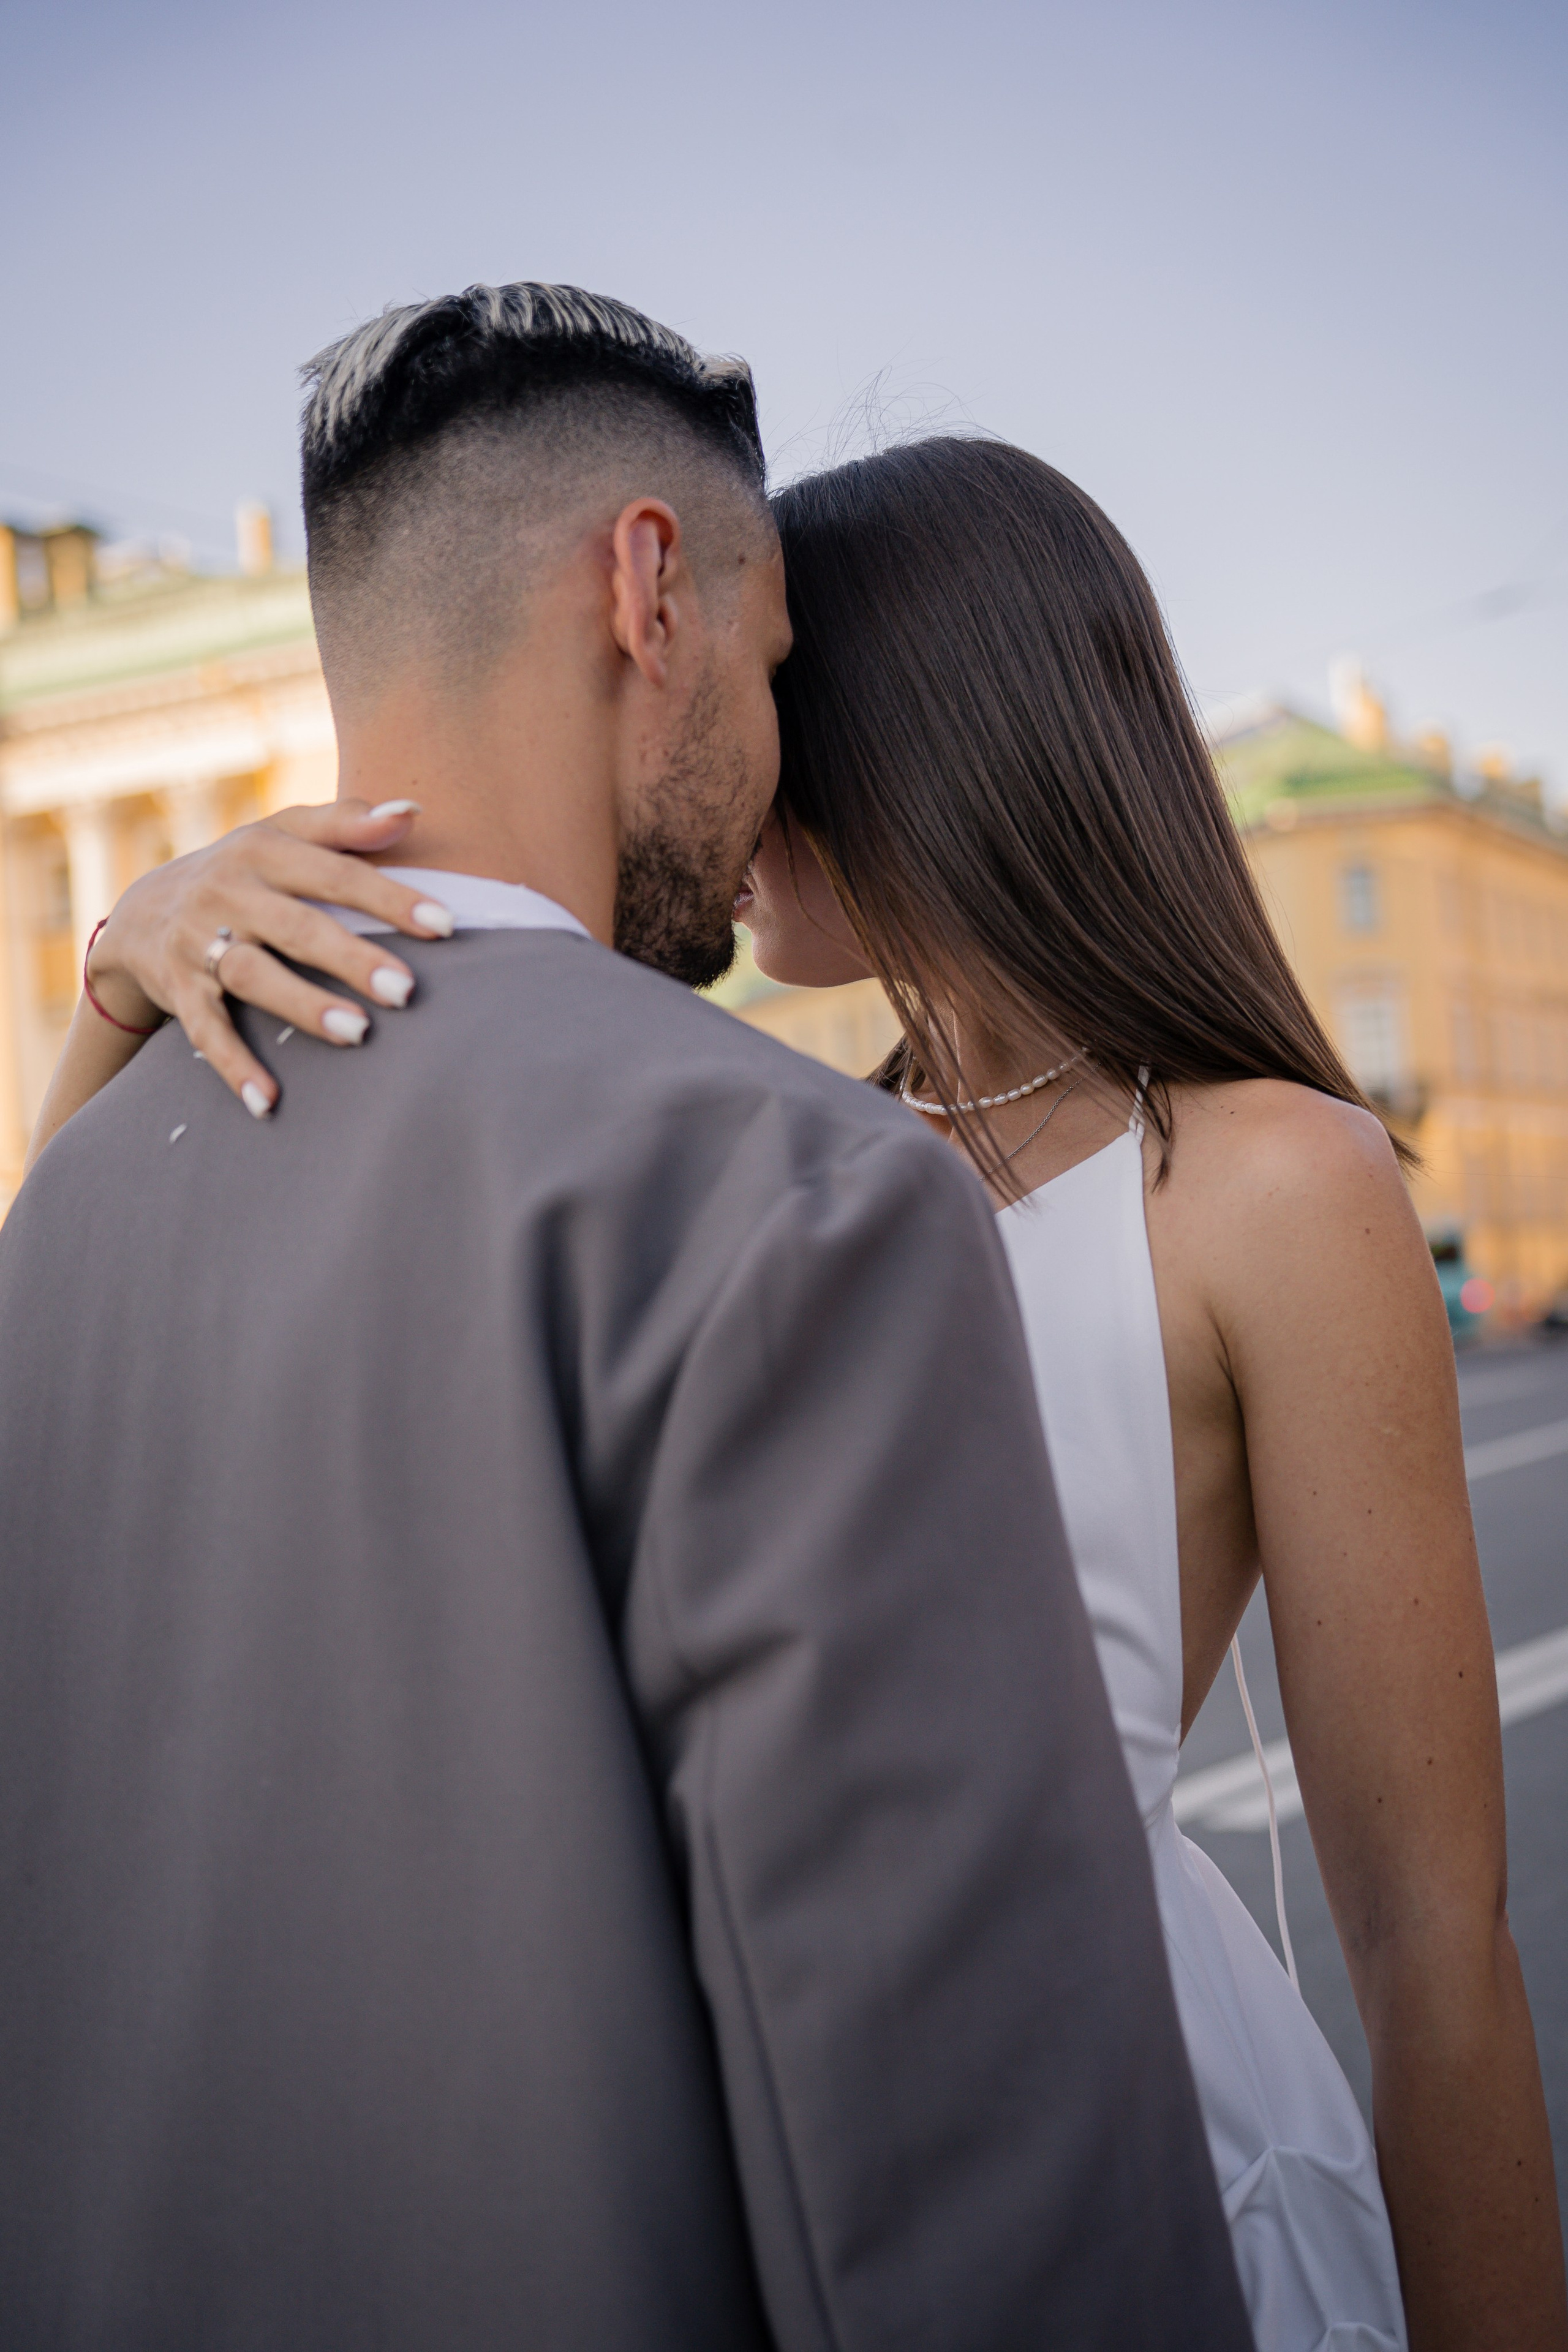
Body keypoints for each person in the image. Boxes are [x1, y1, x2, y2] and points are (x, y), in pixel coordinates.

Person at [48, 428, 1568, 2352]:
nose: (721, 747)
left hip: (1114, 2117)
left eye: (774, 687)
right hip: (697, 2149)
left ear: (918, 726)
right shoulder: (767, 1160)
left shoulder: (1273, 1187)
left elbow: (1431, 1950)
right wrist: (130, 966)